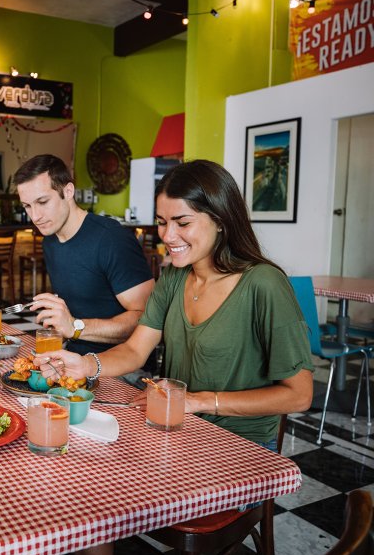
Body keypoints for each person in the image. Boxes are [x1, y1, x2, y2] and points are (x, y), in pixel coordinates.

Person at [37, 160, 314, 442]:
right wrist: (84, 365)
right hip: (175, 428)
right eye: (161, 222)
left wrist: (199, 401)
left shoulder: (264, 284)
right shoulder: (174, 277)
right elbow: (134, 350)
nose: (167, 236)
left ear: (220, 220)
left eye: (182, 222)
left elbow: (300, 395)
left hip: (239, 444)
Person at [14, 154, 155, 356]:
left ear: (68, 191)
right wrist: (63, 326)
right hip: (74, 357)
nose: (35, 216)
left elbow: (147, 320)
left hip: (123, 367)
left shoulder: (111, 239)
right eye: (27, 206)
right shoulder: (50, 240)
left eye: (43, 202)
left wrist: (75, 327)